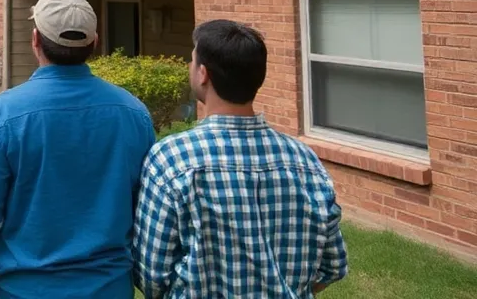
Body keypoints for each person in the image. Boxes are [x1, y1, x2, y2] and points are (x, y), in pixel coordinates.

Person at [0, 0, 155, 299]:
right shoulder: (133, 113)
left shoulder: (3, 115)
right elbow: (145, 210)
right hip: (109, 288)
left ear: (35, 40)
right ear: (95, 42)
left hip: (24, 290)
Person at [133, 19, 348, 297]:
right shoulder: (305, 161)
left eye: (191, 59)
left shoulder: (171, 160)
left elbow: (151, 274)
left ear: (203, 74)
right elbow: (333, 266)